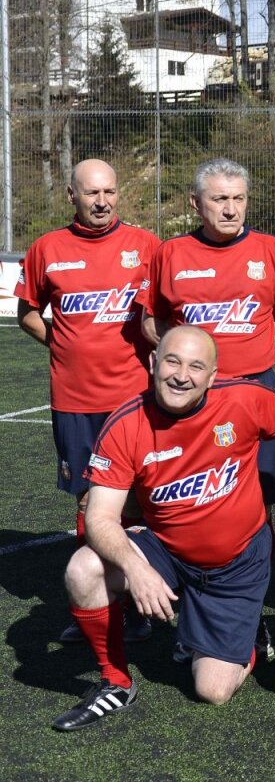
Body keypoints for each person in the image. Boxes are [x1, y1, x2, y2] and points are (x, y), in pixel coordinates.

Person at [50, 326, 275, 731]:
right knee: (83, 568)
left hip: (236, 563)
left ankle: (246, 638)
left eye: (196, 366)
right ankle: (115, 682)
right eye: (172, 361)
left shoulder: (244, 399)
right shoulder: (125, 423)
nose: (182, 375)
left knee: (211, 690)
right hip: (166, 551)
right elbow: (99, 518)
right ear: (152, 362)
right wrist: (138, 569)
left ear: (212, 377)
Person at [16, 158, 161, 644]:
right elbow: (29, 313)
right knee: (88, 500)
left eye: (110, 192)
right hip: (75, 401)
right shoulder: (47, 249)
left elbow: (166, 315)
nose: (103, 202)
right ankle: (98, 601)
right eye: (92, 193)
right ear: (72, 196)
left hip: (136, 400)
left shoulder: (146, 246)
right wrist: (63, 344)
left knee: (139, 502)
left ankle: (141, 601)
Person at [140, 159, 275, 506]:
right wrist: (188, 360)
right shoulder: (170, 253)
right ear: (196, 204)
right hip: (190, 393)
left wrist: (251, 346)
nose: (231, 210)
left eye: (239, 199)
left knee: (259, 493)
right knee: (192, 490)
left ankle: (258, 561)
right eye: (219, 200)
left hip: (255, 387)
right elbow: (152, 322)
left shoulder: (271, 250)